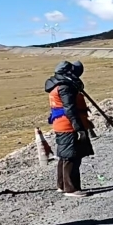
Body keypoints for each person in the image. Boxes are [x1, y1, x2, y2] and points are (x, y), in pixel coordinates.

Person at [45, 61, 95, 197]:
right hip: (68, 125)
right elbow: (70, 109)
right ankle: (71, 189)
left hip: (62, 125)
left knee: (65, 156)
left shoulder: (59, 85)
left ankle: (62, 185)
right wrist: (78, 128)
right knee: (72, 156)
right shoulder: (65, 87)